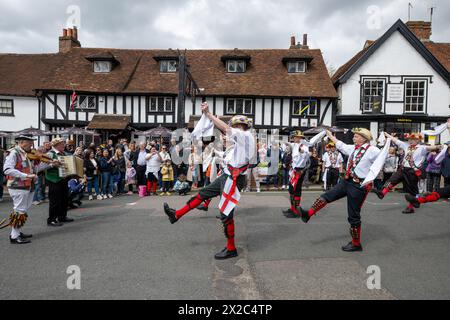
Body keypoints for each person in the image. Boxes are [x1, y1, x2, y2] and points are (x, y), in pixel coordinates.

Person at [163, 102, 255, 260]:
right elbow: (227, 132)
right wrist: (212, 119)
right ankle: (176, 215)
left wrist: (209, 115)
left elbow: (227, 130)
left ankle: (231, 248)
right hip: (228, 177)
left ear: (241, 126)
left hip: (233, 179)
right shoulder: (239, 141)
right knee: (203, 194)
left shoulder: (245, 136)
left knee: (226, 214)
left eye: (235, 125)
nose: (230, 131)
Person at [299, 128, 381, 252]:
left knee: (353, 216)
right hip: (346, 181)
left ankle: (356, 244)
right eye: (354, 136)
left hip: (358, 186)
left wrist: (390, 142)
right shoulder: (353, 148)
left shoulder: (373, 150)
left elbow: (382, 158)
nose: (353, 138)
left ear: (364, 139)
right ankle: (308, 214)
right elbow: (340, 145)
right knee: (327, 196)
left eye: (356, 136)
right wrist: (330, 135)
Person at [1, 135, 59, 243]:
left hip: (28, 185)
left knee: (23, 210)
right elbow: (7, 169)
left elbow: (35, 169)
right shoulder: (14, 153)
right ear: (22, 142)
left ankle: (17, 232)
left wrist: (50, 164)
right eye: (30, 142)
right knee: (20, 210)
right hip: (18, 186)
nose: (32, 144)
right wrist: (26, 175)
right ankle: (14, 236)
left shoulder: (27, 154)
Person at [374, 132, 438, 214]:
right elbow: (396, 140)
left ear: (418, 140)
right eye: (410, 139)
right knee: (392, 179)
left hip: (413, 171)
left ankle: (411, 207)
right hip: (403, 168)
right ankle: (382, 193)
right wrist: (387, 134)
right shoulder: (406, 145)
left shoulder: (421, 148)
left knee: (412, 190)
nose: (410, 141)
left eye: (413, 139)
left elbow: (431, 147)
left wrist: (438, 146)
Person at [45, 138, 74, 226]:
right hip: (53, 180)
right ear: (56, 145)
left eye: (64, 144)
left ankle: (62, 216)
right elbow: (43, 167)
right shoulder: (49, 154)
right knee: (55, 200)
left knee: (64, 199)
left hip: (63, 179)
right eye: (62, 144)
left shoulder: (64, 154)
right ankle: (52, 219)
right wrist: (52, 164)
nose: (64, 145)